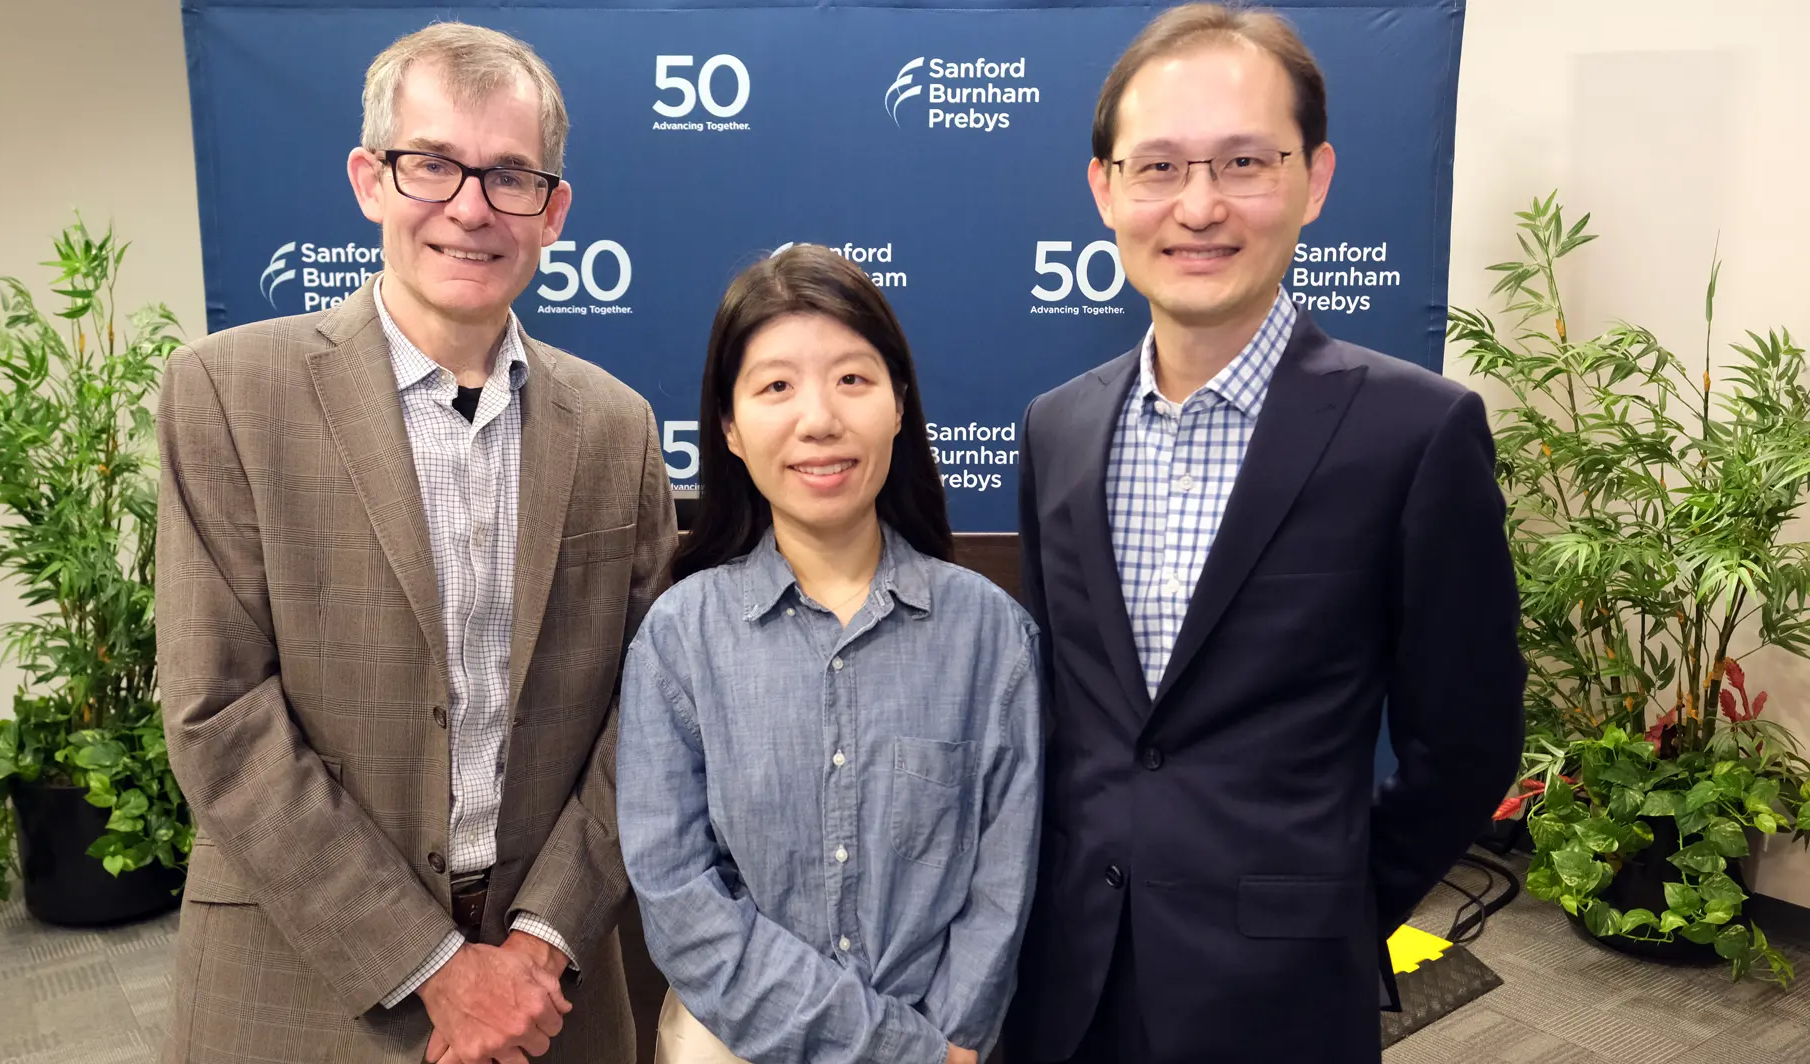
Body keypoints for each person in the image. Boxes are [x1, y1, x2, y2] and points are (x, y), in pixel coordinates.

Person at [1003, 5, 1526, 1063]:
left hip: (1282, 999)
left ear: (1312, 179)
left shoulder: (1414, 434)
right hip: (1066, 982)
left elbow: (1465, 741)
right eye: (1157, 167)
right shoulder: (1054, 428)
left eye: (1243, 160)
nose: (1197, 206)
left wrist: (1325, 904)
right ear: (1103, 187)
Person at [155, 22, 674, 1064]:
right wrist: (432, 961)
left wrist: (536, 941)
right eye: (431, 164)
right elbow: (217, 711)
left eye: (509, 175)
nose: (470, 208)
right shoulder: (225, 392)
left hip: (551, 989)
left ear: (554, 210)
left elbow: (654, 708)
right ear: (369, 179)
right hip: (303, 974)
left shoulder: (618, 427)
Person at [615, 245, 1042, 1064]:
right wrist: (892, 1051)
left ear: (899, 405)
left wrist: (946, 1045)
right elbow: (677, 895)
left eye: (852, 379)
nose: (819, 419)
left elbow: (1004, 886)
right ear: (732, 429)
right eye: (776, 386)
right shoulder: (680, 638)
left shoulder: (992, 639)